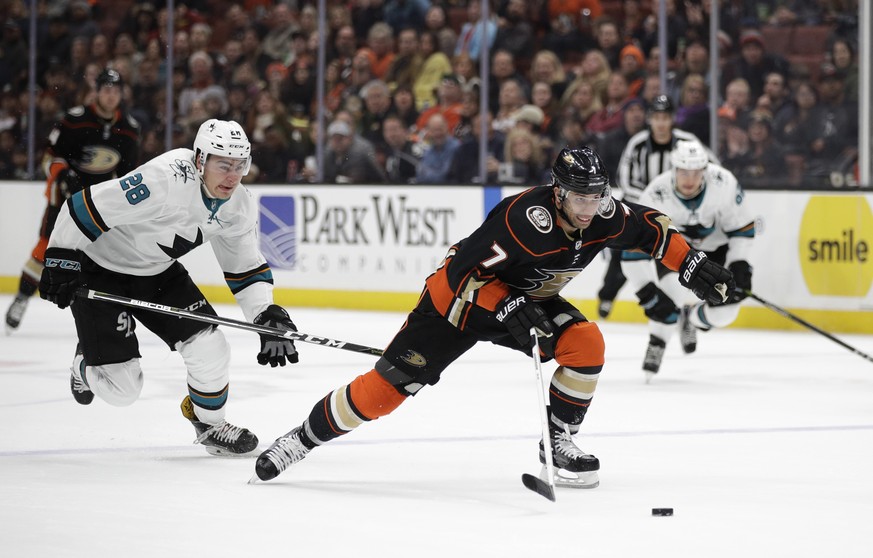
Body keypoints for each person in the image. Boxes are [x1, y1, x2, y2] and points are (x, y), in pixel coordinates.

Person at [252, 146, 735, 487]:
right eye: (581, 198)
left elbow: (651, 230)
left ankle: (559, 440)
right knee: (386, 391)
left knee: (586, 344)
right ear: (558, 192)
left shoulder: (604, 213)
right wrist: (506, 305)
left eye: (597, 196)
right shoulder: (523, 218)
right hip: (456, 304)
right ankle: (301, 438)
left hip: (526, 300)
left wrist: (690, 262)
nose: (591, 208)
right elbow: (464, 273)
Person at [37, 119, 300, 456]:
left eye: (240, 166)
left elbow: (244, 267)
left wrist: (265, 313)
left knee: (212, 348)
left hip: (158, 274)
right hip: (100, 270)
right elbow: (83, 207)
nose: (233, 176)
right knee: (123, 391)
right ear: (201, 160)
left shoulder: (239, 206)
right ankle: (82, 365)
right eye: (224, 165)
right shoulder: (165, 178)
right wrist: (60, 257)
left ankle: (210, 426)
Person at [5, 69, 140, 334]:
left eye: (115, 90)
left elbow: (127, 174)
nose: (111, 96)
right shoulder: (74, 120)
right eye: (106, 89)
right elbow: (50, 158)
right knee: (46, 249)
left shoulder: (130, 129)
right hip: (63, 199)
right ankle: (22, 297)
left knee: (108, 255)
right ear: (97, 91)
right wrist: (64, 175)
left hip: (100, 203)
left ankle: (108, 314)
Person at [623, 139, 755, 378]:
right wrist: (647, 291)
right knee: (671, 295)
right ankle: (657, 341)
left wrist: (739, 264)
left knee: (727, 313)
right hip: (676, 254)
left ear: (705, 171)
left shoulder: (723, 183)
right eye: (684, 171)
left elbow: (742, 229)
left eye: (696, 173)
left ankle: (692, 318)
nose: (689, 179)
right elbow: (631, 249)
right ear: (673, 169)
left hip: (715, 252)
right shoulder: (655, 193)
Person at [595, 95, 715, 319]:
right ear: (650, 119)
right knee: (622, 256)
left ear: (672, 119)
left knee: (674, 254)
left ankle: (679, 308)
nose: (661, 123)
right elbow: (625, 179)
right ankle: (607, 295)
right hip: (640, 212)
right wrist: (654, 204)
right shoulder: (638, 143)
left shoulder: (687, 142)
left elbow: (712, 168)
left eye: (665, 118)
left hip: (677, 213)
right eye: (657, 118)